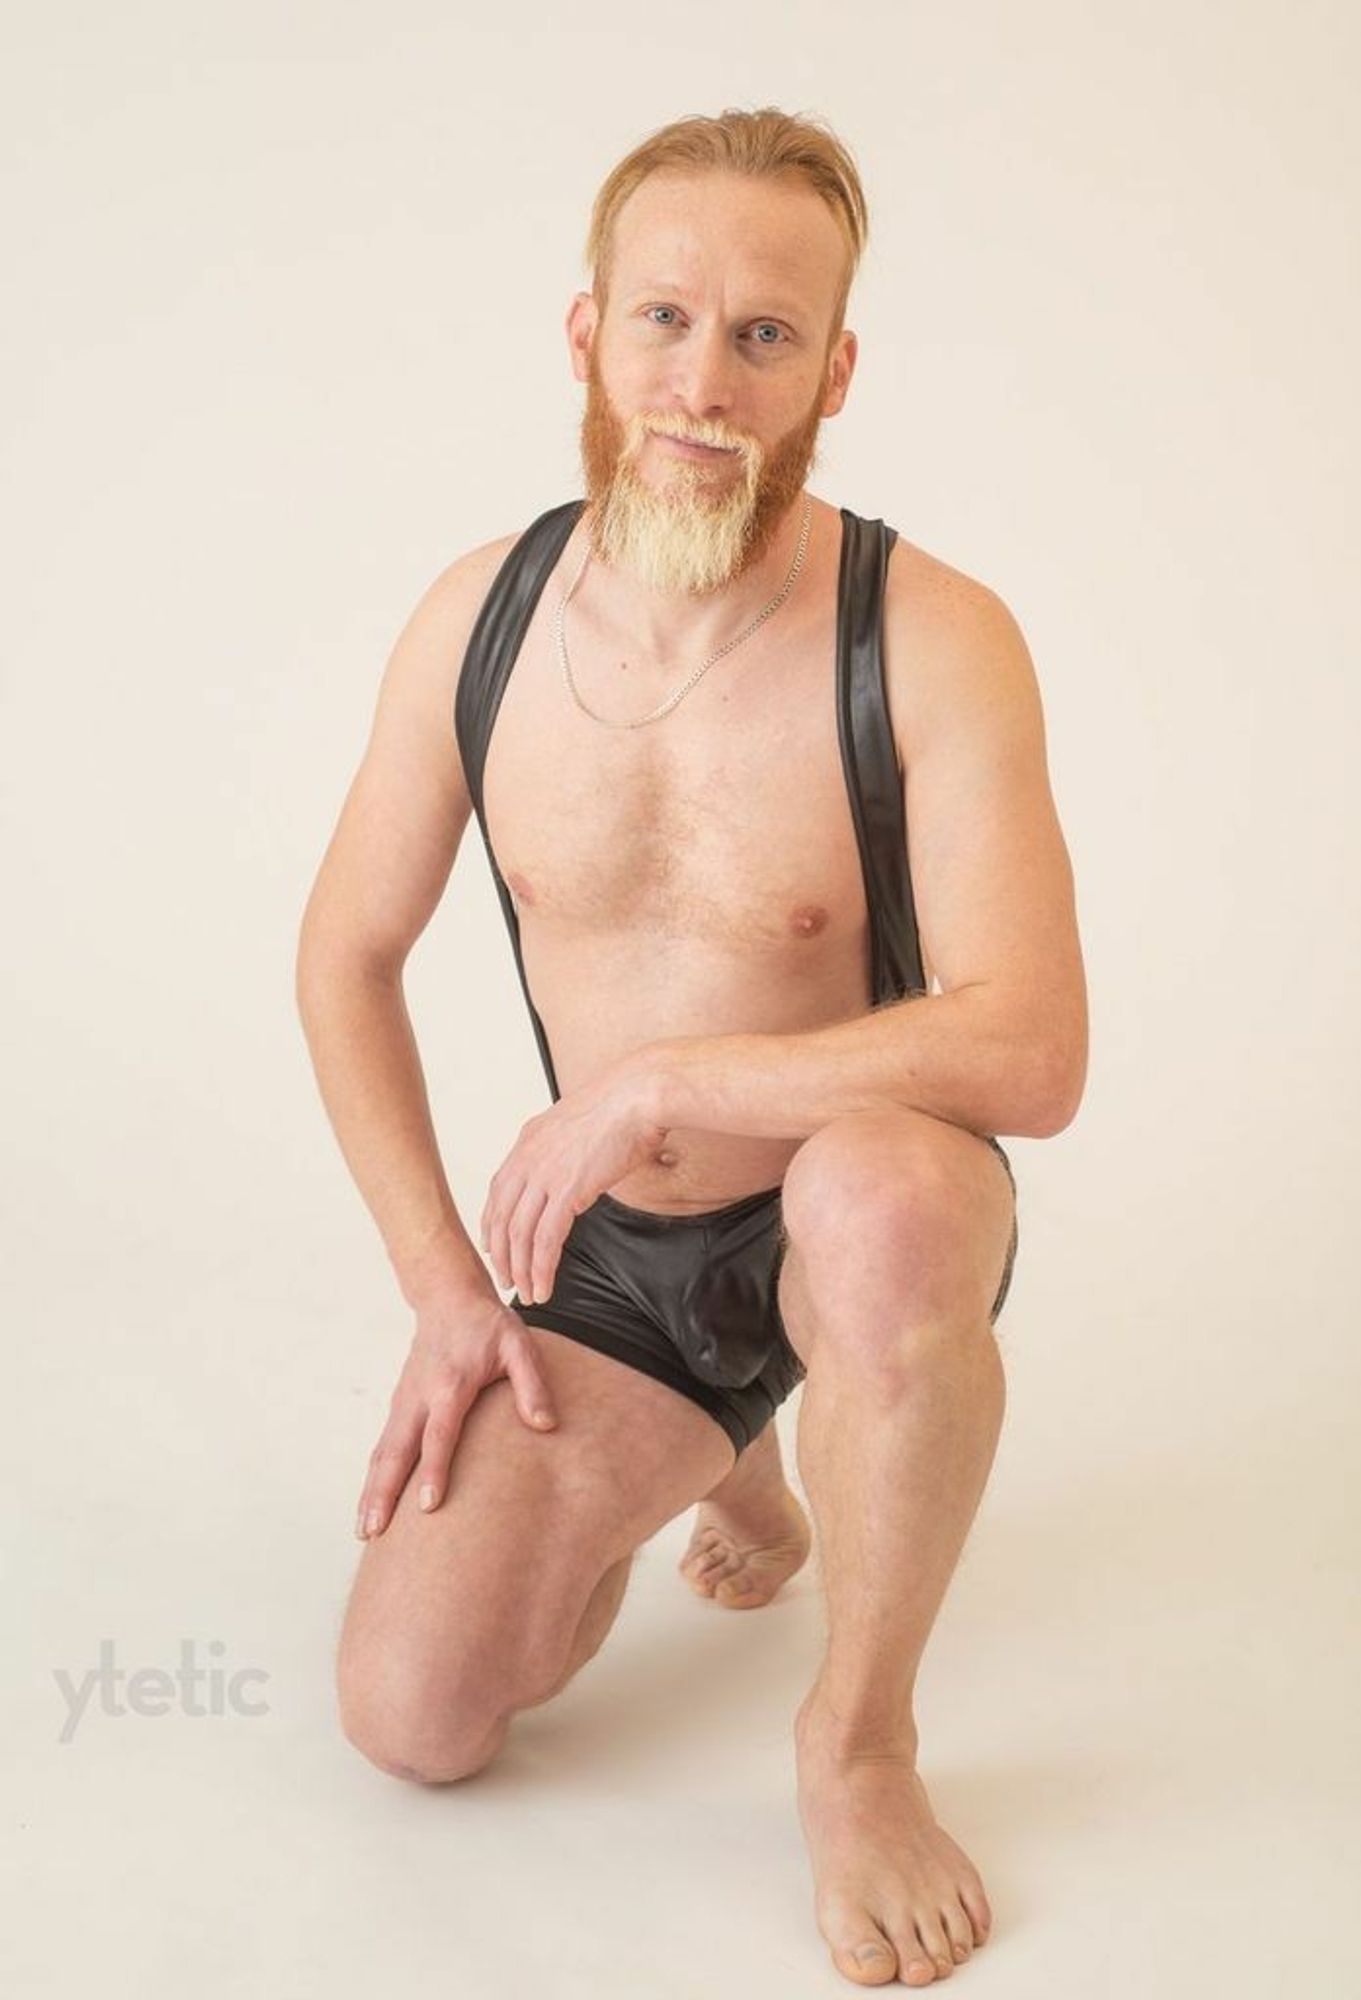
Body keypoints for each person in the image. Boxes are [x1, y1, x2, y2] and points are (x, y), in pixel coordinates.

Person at [295, 105, 1087, 1990]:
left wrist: (662, 1083)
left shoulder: (932, 632)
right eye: (664, 319)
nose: (702, 381)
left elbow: (1033, 1051)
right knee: (411, 1719)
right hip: (611, 1258)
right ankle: (735, 1459)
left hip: (857, 1198)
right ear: (584, 331)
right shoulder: (473, 620)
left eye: (761, 336)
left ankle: (859, 1742)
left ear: (833, 367)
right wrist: (440, 1292)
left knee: (883, 1207)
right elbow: (345, 955)